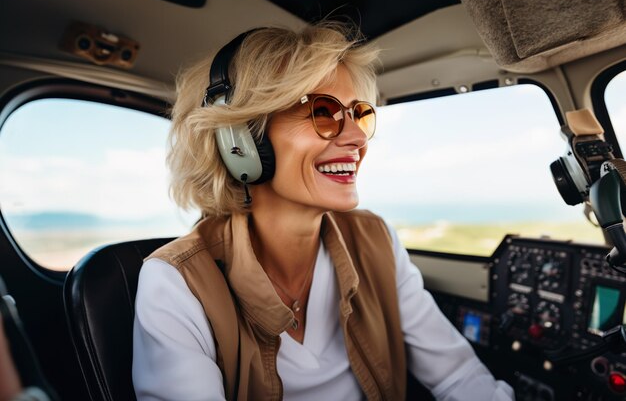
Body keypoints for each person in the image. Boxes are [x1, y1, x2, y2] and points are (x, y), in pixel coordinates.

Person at [132, 22, 514, 400]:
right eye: (323, 112)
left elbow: (459, 377)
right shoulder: (176, 284)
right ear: (242, 140)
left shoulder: (375, 240)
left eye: (358, 113)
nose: (358, 138)